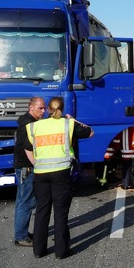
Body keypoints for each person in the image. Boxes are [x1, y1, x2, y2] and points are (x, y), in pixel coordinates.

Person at [24, 96, 93, 259]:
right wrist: (73, 120)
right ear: (62, 109)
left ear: (48, 109)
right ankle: (61, 251)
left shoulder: (34, 126)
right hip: (61, 173)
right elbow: (90, 132)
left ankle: (38, 251)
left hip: (41, 173)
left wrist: (37, 164)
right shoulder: (67, 124)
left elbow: (27, 148)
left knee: (42, 210)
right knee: (60, 212)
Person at [13, 96, 46, 246]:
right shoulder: (29, 124)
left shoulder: (27, 121)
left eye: (45, 108)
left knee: (23, 201)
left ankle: (22, 232)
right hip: (26, 167)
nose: (43, 111)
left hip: (24, 166)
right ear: (31, 108)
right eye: (41, 108)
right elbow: (25, 148)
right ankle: (20, 236)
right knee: (26, 202)